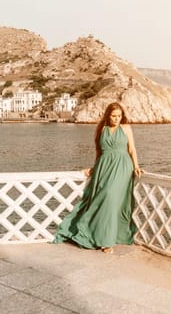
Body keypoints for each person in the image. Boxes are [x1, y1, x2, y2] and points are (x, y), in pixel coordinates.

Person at [52, 102, 143, 253]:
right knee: (99, 199)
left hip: (122, 167)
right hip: (103, 167)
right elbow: (99, 152)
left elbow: (132, 149)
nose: (117, 119)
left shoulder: (126, 128)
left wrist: (136, 166)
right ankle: (95, 233)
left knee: (110, 197)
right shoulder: (102, 129)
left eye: (119, 116)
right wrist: (95, 168)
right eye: (114, 116)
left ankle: (107, 241)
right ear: (108, 115)